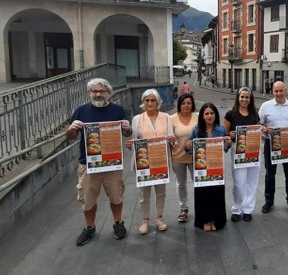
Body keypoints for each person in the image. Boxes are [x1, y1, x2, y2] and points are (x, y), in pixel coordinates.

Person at [66, 78, 132, 246]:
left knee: (116, 196)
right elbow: (70, 137)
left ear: (109, 93)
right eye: (94, 91)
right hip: (88, 163)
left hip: (112, 163)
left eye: (102, 91)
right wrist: (71, 129)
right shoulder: (81, 111)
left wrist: (127, 128)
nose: (98, 94)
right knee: (87, 200)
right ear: (90, 93)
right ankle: (90, 227)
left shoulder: (118, 110)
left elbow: (126, 134)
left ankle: (118, 223)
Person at [130, 89, 176, 235]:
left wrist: (172, 140)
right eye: (147, 100)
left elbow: (172, 138)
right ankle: (145, 220)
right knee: (144, 193)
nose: (150, 103)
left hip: (161, 160)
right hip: (144, 161)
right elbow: (134, 141)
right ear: (143, 102)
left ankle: (160, 218)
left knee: (161, 192)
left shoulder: (166, 117)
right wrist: (130, 145)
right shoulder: (137, 119)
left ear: (158, 102)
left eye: (153, 100)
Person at [258, 81, 288, 214]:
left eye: (281, 91)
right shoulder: (265, 106)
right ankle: (269, 202)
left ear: (285, 90)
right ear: (272, 91)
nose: (278, 93)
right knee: (269, 175)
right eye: (276, 91)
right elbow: (259, 124)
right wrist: (264, 129)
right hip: (270, 144)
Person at [186, 103, 232, 231]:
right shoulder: (195, 130)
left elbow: (225, 149)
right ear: (202, 116)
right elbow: (190, 150)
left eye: (212, 113)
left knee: (216, 193)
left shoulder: (221, 129)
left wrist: (228, 143)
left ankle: (217, 219)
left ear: (215, 115)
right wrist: (188, 146)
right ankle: (205, 220)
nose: (209, 116)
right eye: (206, 113)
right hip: (201, 168)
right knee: (203, 194)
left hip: (216, 167)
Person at [222, 87, 260, 222]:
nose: (244, 100)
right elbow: (222, 134)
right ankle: (237, 208)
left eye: (247, 97)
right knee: (239, 183)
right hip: (237, 151)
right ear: (238, 98)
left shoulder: (255, 114)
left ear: (251, 99)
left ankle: (248, 209)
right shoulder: (230, 115)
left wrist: (263, 130)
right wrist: (228, 135)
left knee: (252, 182)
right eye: (242, 97)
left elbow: (257, 130)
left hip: (253, 151)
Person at [169, 93, 198, 223]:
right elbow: (167, 135)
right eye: (183, 103)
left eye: (189, 103)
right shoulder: (171, 119)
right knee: (181, 183)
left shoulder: (197, 117)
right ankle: (183, 208)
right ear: (179, 104)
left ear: (192, 105)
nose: (186, 105)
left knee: (198, 182)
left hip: (195, 156)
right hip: (178, 156)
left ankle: (201, 206)